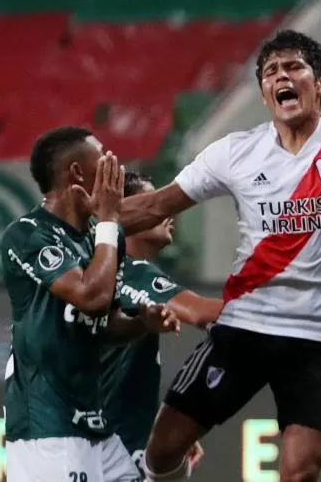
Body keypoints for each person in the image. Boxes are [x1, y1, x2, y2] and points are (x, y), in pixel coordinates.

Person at [120, 30, 321, 482]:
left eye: (294, 67)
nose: (281, 76)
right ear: (264, 94)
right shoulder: (235, 152)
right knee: (162, 452)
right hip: (244, 329)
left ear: (319, 83)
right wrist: (84, 223)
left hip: (318, 340)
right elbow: (157, 205)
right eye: (270, 72)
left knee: (300, 472)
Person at [2, 126, 180, 482]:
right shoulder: (28, 233)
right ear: (77, 173)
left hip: (94, 428)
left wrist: (142, 322)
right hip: (49, 429)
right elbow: (92, 298)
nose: (114, 167)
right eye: (104, 158)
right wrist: (111, 220)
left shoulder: (91, 241)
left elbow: (101, 325)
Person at [101, 172, 225, 477]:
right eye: (151, 202)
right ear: (126, 210)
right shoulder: (130, 271)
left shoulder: (98, 270)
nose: (165, 211)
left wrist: (158, 428)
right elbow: (205, 314)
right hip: (110, 451)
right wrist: (282, 304)